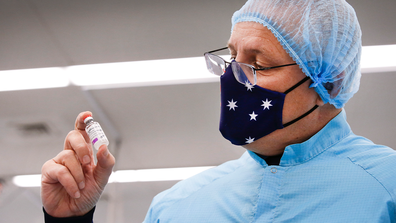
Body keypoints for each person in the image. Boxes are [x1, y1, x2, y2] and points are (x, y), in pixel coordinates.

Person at [41, 0, 396, 222]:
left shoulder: (387, 189)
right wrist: (70, 221)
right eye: (230, 59)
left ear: (329, 83)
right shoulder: (176, 208)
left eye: (259, 64)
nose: (233, 78)